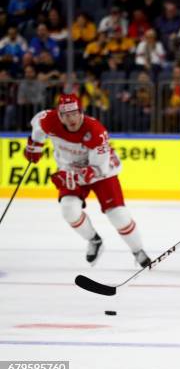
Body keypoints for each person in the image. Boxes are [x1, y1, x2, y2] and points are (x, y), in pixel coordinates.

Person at [23, 93, 151, 267]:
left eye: (75, 113)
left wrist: (70, 178)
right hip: (69, 168)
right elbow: (37, 124)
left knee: (118, 215)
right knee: (68, 210)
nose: (72, 119)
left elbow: (98, 169)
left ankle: (138, 250)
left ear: (82, 112)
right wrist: (35, 145)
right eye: (66, 115)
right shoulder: (48, 120)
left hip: (103, 172)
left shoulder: (96, 131)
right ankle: (94, 240)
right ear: (59, 115)